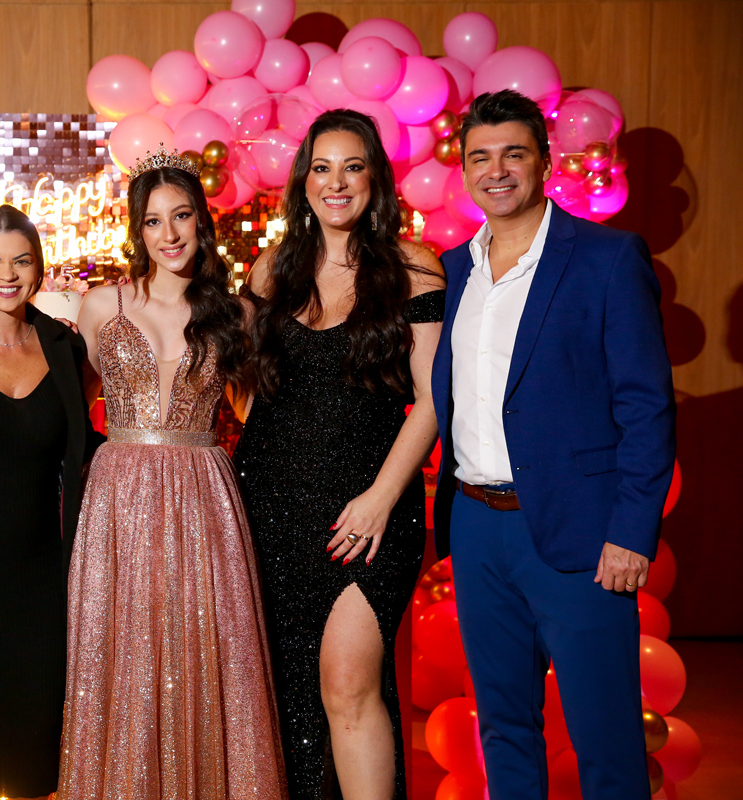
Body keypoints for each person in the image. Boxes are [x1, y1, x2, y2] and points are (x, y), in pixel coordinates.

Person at [431, 90, 676, 798]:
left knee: (605, 736)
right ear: (465, 170)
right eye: (481, 157)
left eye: (514, 153)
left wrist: (631, 532)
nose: (496, 170)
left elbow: (646, 407)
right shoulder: (452, 271)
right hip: (477, 527)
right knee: (504, 727)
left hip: (584, 534)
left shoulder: (607, 258)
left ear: (544, 162)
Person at [57, 148, 286, 799]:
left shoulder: (235, 315)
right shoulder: (100, 305)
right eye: (153, 221)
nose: (170, 234)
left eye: (181, 215)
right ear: (138, 230)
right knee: (123, 646)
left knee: (202, 646)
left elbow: (259, 412)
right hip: (119, 493)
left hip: (203, 491)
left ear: (201, 221)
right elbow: (69, 408)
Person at [234, 109, 445, 800]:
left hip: (368, 510)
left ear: (374, 179)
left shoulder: (413, 267)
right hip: (271, 507)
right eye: (322, 168)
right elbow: (239, 381)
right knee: (288, 693)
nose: (336, 182)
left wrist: (381, 498)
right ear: (302, 182)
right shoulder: (272, 270)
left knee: (349, 686)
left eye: (352, 167)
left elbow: (433, 400)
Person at [0, 205, 96, 800]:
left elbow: (86, 447)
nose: (7, 275)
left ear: (39, 267)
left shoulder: (64, 345)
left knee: (40, 747)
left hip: (46, 578)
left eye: (21, 261)